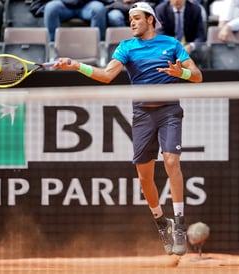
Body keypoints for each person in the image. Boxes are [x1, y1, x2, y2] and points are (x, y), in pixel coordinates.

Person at [54, 2, 202, 256]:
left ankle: (179, 224)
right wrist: (76, 65)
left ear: (150, 20)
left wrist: (183, 74)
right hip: (142, 114)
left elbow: (197, 75)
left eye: (136, 18)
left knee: (171, 162)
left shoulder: (172, 44)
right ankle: (161, 222)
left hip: (169, 111)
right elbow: (106, 76)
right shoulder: (126, 47)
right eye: (130, 19)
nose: (131, 22)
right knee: (144, 176)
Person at [155, 0, 209, 68]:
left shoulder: (195, 9)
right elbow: (160, 34)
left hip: (189, 46)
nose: (177, 1)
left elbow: (201, 35)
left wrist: (191, 46)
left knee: (204, 49)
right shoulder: (161, 9)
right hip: (170, 45)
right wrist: (175, 47)